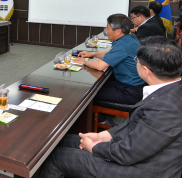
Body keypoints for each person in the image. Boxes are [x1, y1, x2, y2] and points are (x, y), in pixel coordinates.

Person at [40, 36, 182, 178]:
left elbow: (128, 153)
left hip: (145, 169)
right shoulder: (169, 89)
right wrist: (103, 135)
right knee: (63, 142)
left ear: (146, 71)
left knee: (57, 158)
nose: (135, 63)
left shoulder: (166, 107)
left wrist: (95, 148)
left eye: (136, 61)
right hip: (137, 150)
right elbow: (134, 126)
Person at [72, 14, 145, 106]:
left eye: (108, 28)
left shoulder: (122, 45)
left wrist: (85, 61)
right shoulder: (129, 38)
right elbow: (113, 53)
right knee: (93, 87)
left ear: (118, 31)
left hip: (130, 92)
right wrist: (92, 54)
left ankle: (103, 120)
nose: (106, 31)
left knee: (86, 94)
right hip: (133, 85)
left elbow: (100, 66)